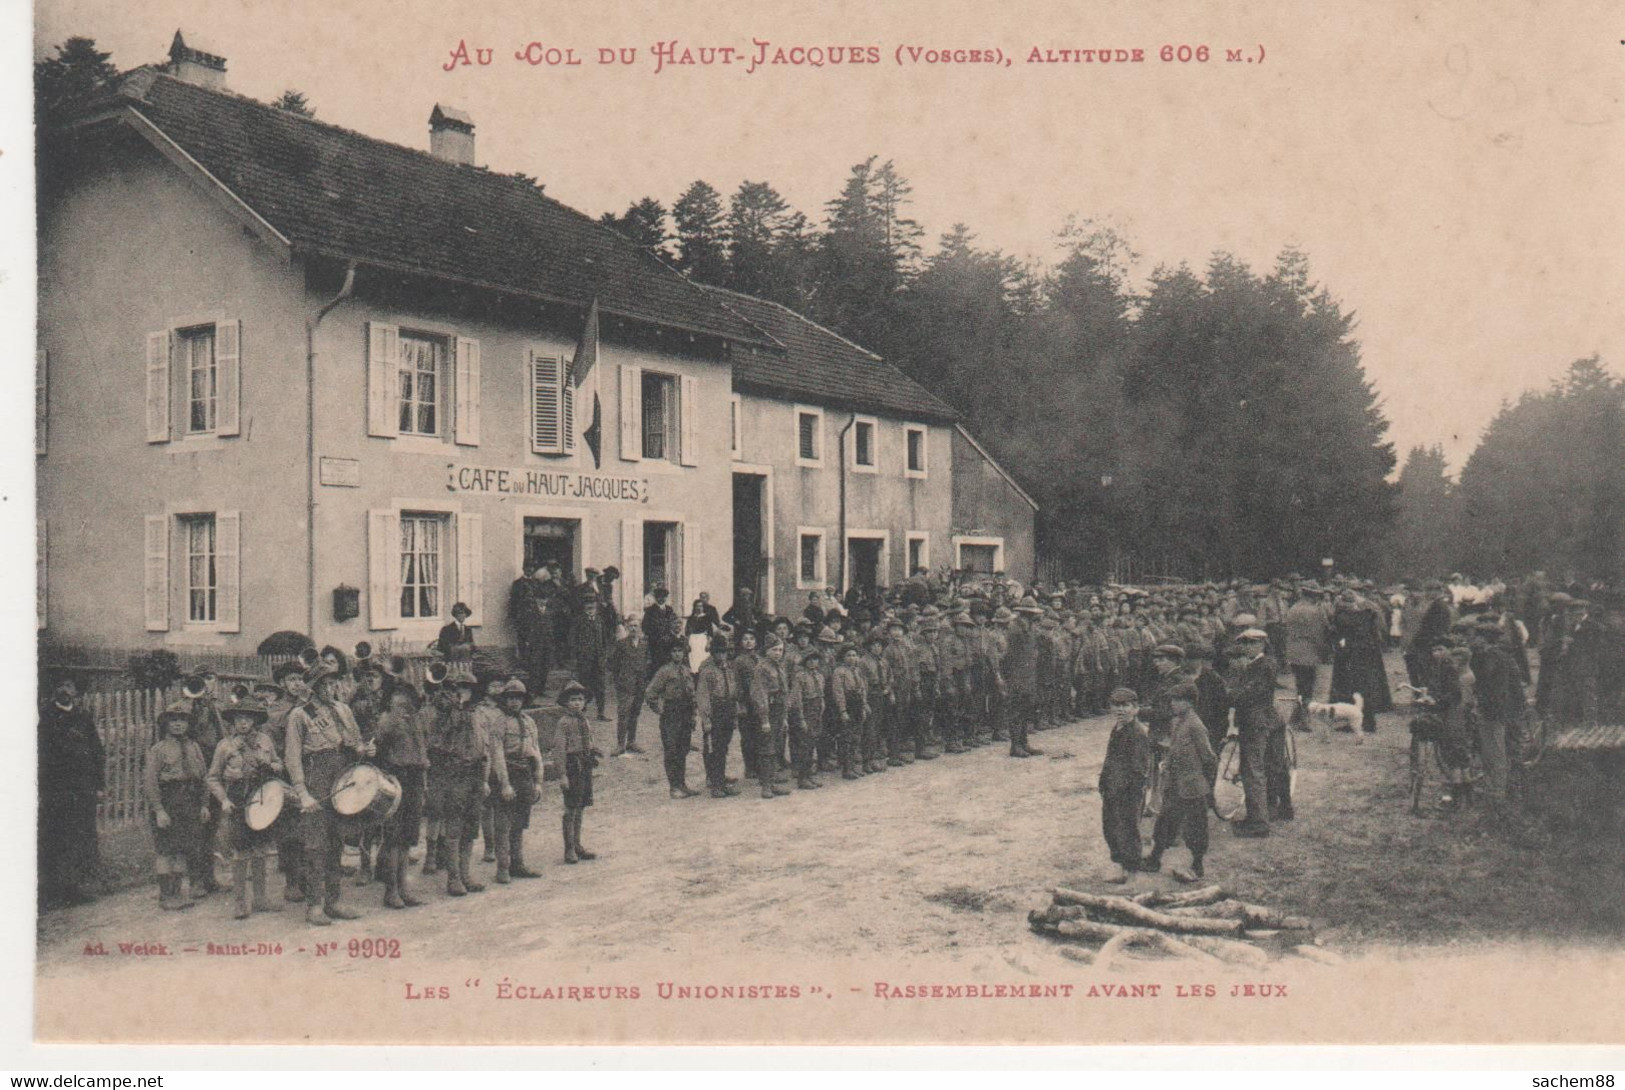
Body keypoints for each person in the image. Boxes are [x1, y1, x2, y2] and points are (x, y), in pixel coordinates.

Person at [285, 662, 372, 925]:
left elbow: (355, 744)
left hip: (341, 776)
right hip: (316, 778)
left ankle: (334, 901)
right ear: (312, 688)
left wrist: (364, 750)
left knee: (337, 840)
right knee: (315, 845)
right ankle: (314, 905)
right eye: (322, 684)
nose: (328, 688)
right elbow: (292, 757)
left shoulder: (344, 710)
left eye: (332, 683)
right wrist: (303, 792)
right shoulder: (299, 715)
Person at [206, 698, 285, 919]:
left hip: (262, 797)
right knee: (240, 851)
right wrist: (223, 799)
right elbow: (212, 778)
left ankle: (260, 900)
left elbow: (279, 765)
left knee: (260, 848)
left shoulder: (265, 741)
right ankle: (240, 903)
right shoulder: (226, 746)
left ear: (254, 721)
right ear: (232, 721)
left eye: (247, 718)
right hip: (238, 799)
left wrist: (268, 763)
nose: (242, 723)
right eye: (238, 719)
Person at [38, 673, 105, 909]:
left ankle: (73, 888)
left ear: (76, 691)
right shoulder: (44, 717)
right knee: (55, 837)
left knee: (81, 837)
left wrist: (98, 785)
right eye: (60, 685)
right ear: (54, 690)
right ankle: (51, 889)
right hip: (56, 789)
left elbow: (97, 751)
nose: (65, 690)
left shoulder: (83, 717)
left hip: (83, 789)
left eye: (69, 686)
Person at [423, 663, 489, 896]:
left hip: (475, 773)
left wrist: (485, 779)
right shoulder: (446, 712)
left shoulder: (479, 713)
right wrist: (452, 707)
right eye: (459, 688)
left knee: (471, 828)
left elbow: (485, 747)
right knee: (454, 828)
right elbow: (437, 739)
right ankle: (453, 878)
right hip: (455, 774)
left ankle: (465, 874)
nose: (463, 692)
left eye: (468, 688)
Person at [1142, 683, 1217, 883]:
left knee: (1196, 827)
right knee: (1165, 821)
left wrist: (1204, 784)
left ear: (1190, 703)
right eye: (1172, 700)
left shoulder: (1195, 725)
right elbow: (1174, 749)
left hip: (1192, 786)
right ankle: (1155, 858)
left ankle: (1197, 865)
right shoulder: (1176, 722)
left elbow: (1209, 758)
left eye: (1178, 700)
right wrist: (1166, 764)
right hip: (1174, 783)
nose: (1173, 704)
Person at [144, 704, 209, 910]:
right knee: (166, 849)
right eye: (173, 720)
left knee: (184, 847)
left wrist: (204, 804)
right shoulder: (158, 749)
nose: (179, 724)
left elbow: (204, 777)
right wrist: (159, 809)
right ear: (166, 724)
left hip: (190, 800)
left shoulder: (194, 747)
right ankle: (166, 895)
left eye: (183, 720)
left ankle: (179, 892)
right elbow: (150, 781)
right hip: (169, 799)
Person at [372, 686, 428, 908]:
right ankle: (391, 891)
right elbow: (376, 748)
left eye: (407, 704)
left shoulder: (417, 722)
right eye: (398, 704)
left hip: (414, 779)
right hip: (395, 779)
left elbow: (423, 752)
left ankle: (404, 887)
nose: (403, 709)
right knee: (393, 838)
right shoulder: (385, 721)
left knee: (407, 837)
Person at [482, 680, 542, 883]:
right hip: (506, 773)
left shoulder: (529, 722)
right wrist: (505, 783)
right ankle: (503, 868)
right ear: (504, 700)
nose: (514, 702)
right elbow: (497, 753)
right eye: (510, 698)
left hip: (525, 773)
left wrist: (538, 781)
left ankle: (518, 864)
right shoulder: (499, 722)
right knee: (503, 824)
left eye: (518, 698)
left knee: (519, 823)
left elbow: (536, 752)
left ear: (524, 700)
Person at [1226, 629, 1277, 837]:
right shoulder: (1257, 664)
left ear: (1262, 644)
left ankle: (1259, 824)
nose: (1247, 647)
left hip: (1256, 722)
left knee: (1253, 771)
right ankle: (1254, 817)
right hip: (1254, 721)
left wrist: (1229, 696)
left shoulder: (1263, 666)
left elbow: (1249, 693)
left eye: (1251, 644)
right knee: (1251, 769)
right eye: (1244, 644)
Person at [1098, 688, 1151, 884]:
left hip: (1128, 791)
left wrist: (1131, 791)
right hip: (1113, 788)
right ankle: (1120, 864)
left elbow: (1139, 769)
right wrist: (1104, 781)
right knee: (1111, 826)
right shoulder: (1118, 728)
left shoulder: (1137, 733)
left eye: (1126, 706)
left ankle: (1131, 870)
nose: (1120, 710)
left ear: (1136, 709)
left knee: (1128, 828)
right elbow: (1110, 759)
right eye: (1116, 705)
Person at [1329, 589, 1392, 733]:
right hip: (1369, 656)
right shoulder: (1369, 614)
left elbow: (1339, 634)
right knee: (1365, 688)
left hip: (1355, 657)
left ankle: (1361, 722)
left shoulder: (1346, 618)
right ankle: (1367, 721)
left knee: (1356, 689)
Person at [646, 642, 700, 798]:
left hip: (686, 713)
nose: (677, 654)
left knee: (683, 750)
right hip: (671, 713)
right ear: (670, 654)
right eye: (674, 651)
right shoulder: (664, 672)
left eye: (680, 651)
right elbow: (651, 693)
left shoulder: (687, 671)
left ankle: (682, 785)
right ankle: (674, 787)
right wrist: (660, 710)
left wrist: (693, 715)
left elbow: (692, 695)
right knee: (671, 750)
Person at [555, 680, 599, 863]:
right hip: (572, 766)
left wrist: (593, 749)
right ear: (566, 702)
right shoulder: (564, 723)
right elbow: (559, 749)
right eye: (572, 699)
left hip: (584, 765)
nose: (577, 703)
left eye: (580, 699)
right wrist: (562, 774)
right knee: (571, 808)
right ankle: (569, 849)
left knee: (581, 806)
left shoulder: (584, 720)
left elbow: (588, 740)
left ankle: (578, 844)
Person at [695, 638, 740, 798]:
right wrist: (706, 719)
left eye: (724, 652)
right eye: (718, 652)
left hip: (727, 710)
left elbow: (733, 693)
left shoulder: (729, 670)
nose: (722, 656)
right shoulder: (707, 672)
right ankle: (716, 784)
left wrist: (734, 715)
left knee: (723, 748)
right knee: (714, 749)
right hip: (715, 712)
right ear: (713, 654)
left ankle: (719, 778)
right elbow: (703, 696)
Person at [609, 616, 649, 756]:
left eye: (636, 626)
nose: (633, 628)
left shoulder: (644, 644)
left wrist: (645, 682)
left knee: (635, 713)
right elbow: (614, 665)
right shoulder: (621, 644)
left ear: (640, 628)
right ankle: (620, 744)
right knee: (624, 713)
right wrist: (619, 682)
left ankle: (631, 741)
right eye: (631, 626)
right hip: (626, 685)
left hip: (640, 685)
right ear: (626, 628)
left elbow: (647, 663)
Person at [788, 645, 827, 789]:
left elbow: (821, 694)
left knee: (813, 743)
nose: (812, 662)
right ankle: (802, 778)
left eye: (815, 660)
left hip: (816, 711)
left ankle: (809, 775)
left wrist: (822, 705)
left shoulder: (819, 675)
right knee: (804, 744)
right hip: (805, 710)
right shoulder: (800, 676)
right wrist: (800, 718)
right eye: (809, 660)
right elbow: (796, 699)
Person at [1283, 586, 1330, 704]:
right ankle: (1303, 713)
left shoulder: (1292, 608)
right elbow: (1318, 633)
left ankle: (1300, 709)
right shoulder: (1315, 611)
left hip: (1293, 649)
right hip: (1309, 650)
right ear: (1313, 596)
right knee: (1308, 685)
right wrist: (1322, 650)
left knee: (1299, 683)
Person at [831, 644, 871, 780]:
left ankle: (853, 766)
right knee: (846, 737)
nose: (852, 658)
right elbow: (838, 692)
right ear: (843, 657)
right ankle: (846, 768)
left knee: (856, 736)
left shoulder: (858, 671)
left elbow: (863, 689)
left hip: (857, 705)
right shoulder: (839, 672)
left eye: (854, 655)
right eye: (848, 655)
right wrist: (842, 710)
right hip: (847, 705)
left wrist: (864, 705)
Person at [574, 590, 611, 721]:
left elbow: (604, 639)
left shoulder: (599, 620)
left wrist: (604, 655)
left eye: (593, 604)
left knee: (601, 687)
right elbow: (572, 640)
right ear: (583, 606)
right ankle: (581, 712)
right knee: (584, 686)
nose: (590, 607)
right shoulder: (579, 621)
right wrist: (579, 654)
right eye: (588, 604)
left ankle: (601, 713)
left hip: (599, 660)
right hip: (585, 660)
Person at [642, 586, 680, 681]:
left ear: (666, 598)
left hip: (669, 643)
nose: (661, 599)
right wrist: (657, 636)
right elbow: (645, 627)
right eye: (659, 596)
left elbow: (676, 624)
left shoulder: (669, 610)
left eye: (663, 596)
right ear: (655, 598)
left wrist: (670, 635)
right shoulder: (650, 611)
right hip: (656, 644)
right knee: (656, 666)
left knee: (669, 664)